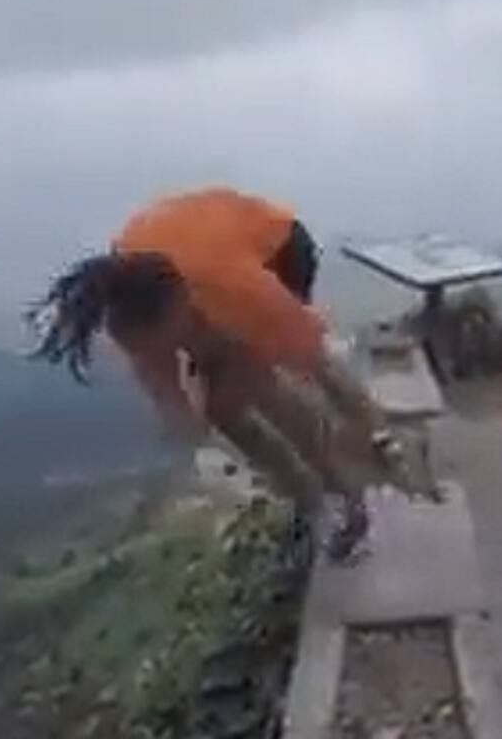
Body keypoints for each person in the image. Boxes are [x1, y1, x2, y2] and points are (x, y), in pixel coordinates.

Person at [28, 187, 408, 561]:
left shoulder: (243, 295)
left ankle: (347, 490)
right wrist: (190, 404)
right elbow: (181, 418)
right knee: (224, 408)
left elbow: (319, 362)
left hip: (281, 244)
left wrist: (372, 430)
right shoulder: (126, 304)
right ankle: (307, 500)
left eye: (167, 345)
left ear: (185, 308)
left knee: (267, 385)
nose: (160, 358)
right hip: (196, 257)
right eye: (149, 351)